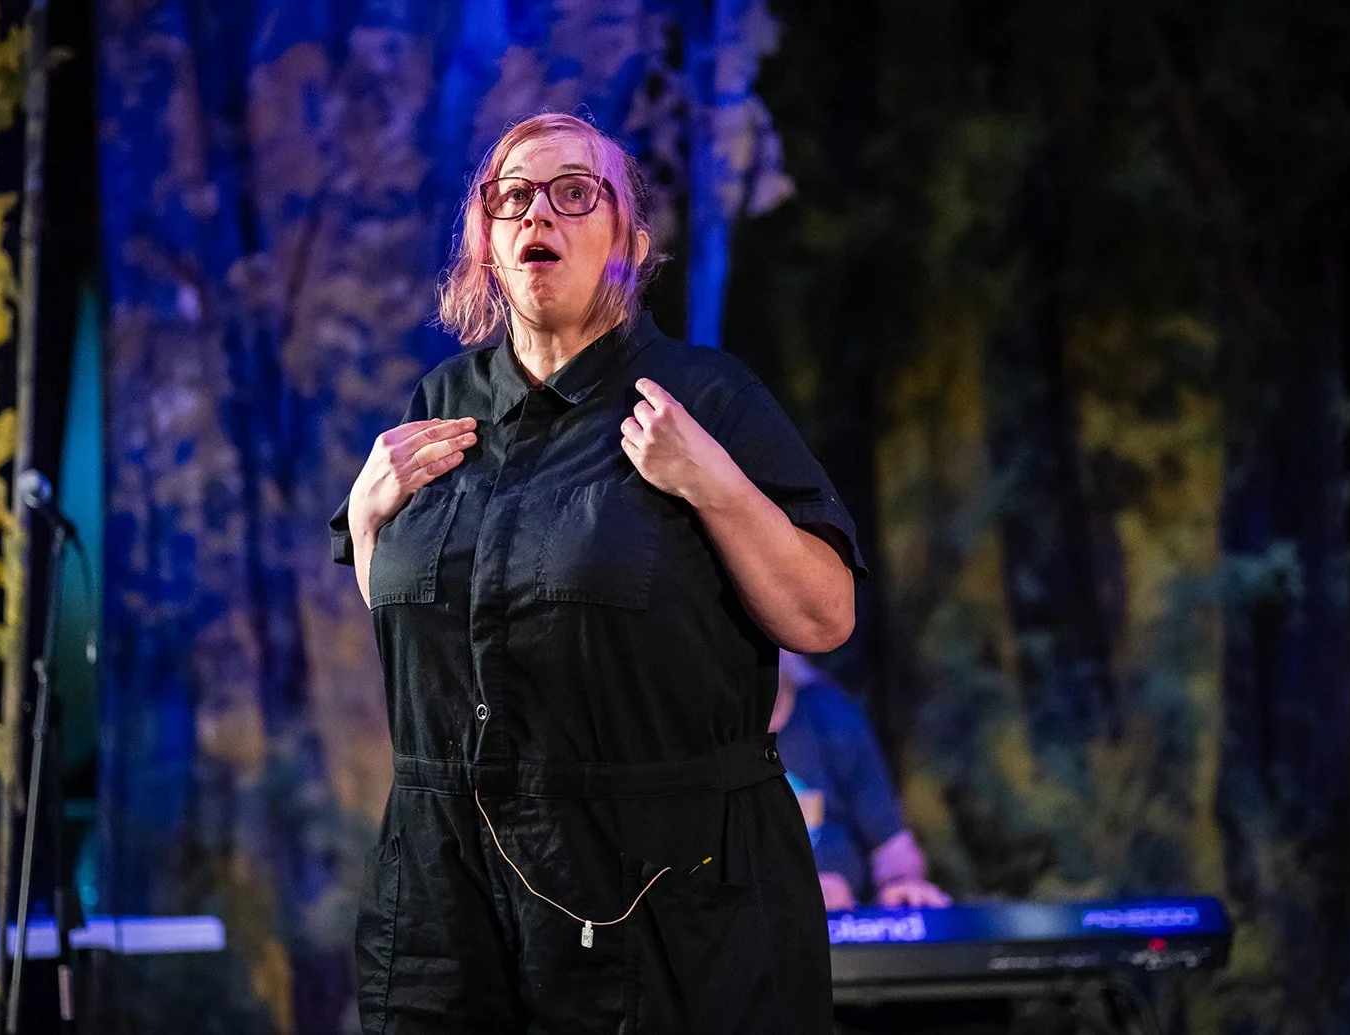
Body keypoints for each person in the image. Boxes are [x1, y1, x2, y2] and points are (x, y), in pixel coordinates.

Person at [331, 112, 867, 1035]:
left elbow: (824, 617)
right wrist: (369, 519)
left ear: (630, 239)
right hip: (444, 896)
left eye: (577, 193)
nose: (542, 212)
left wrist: (716, 485)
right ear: (489, 241)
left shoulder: (701, 398)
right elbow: (422, 633)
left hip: (651, 893)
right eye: (514, 197)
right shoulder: (442, 404)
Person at [772, 652, 950, 912]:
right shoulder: (703, 736)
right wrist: (794, 890)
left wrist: (901, 885)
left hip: (844, 926)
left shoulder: (833, 717)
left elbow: (891, 845)